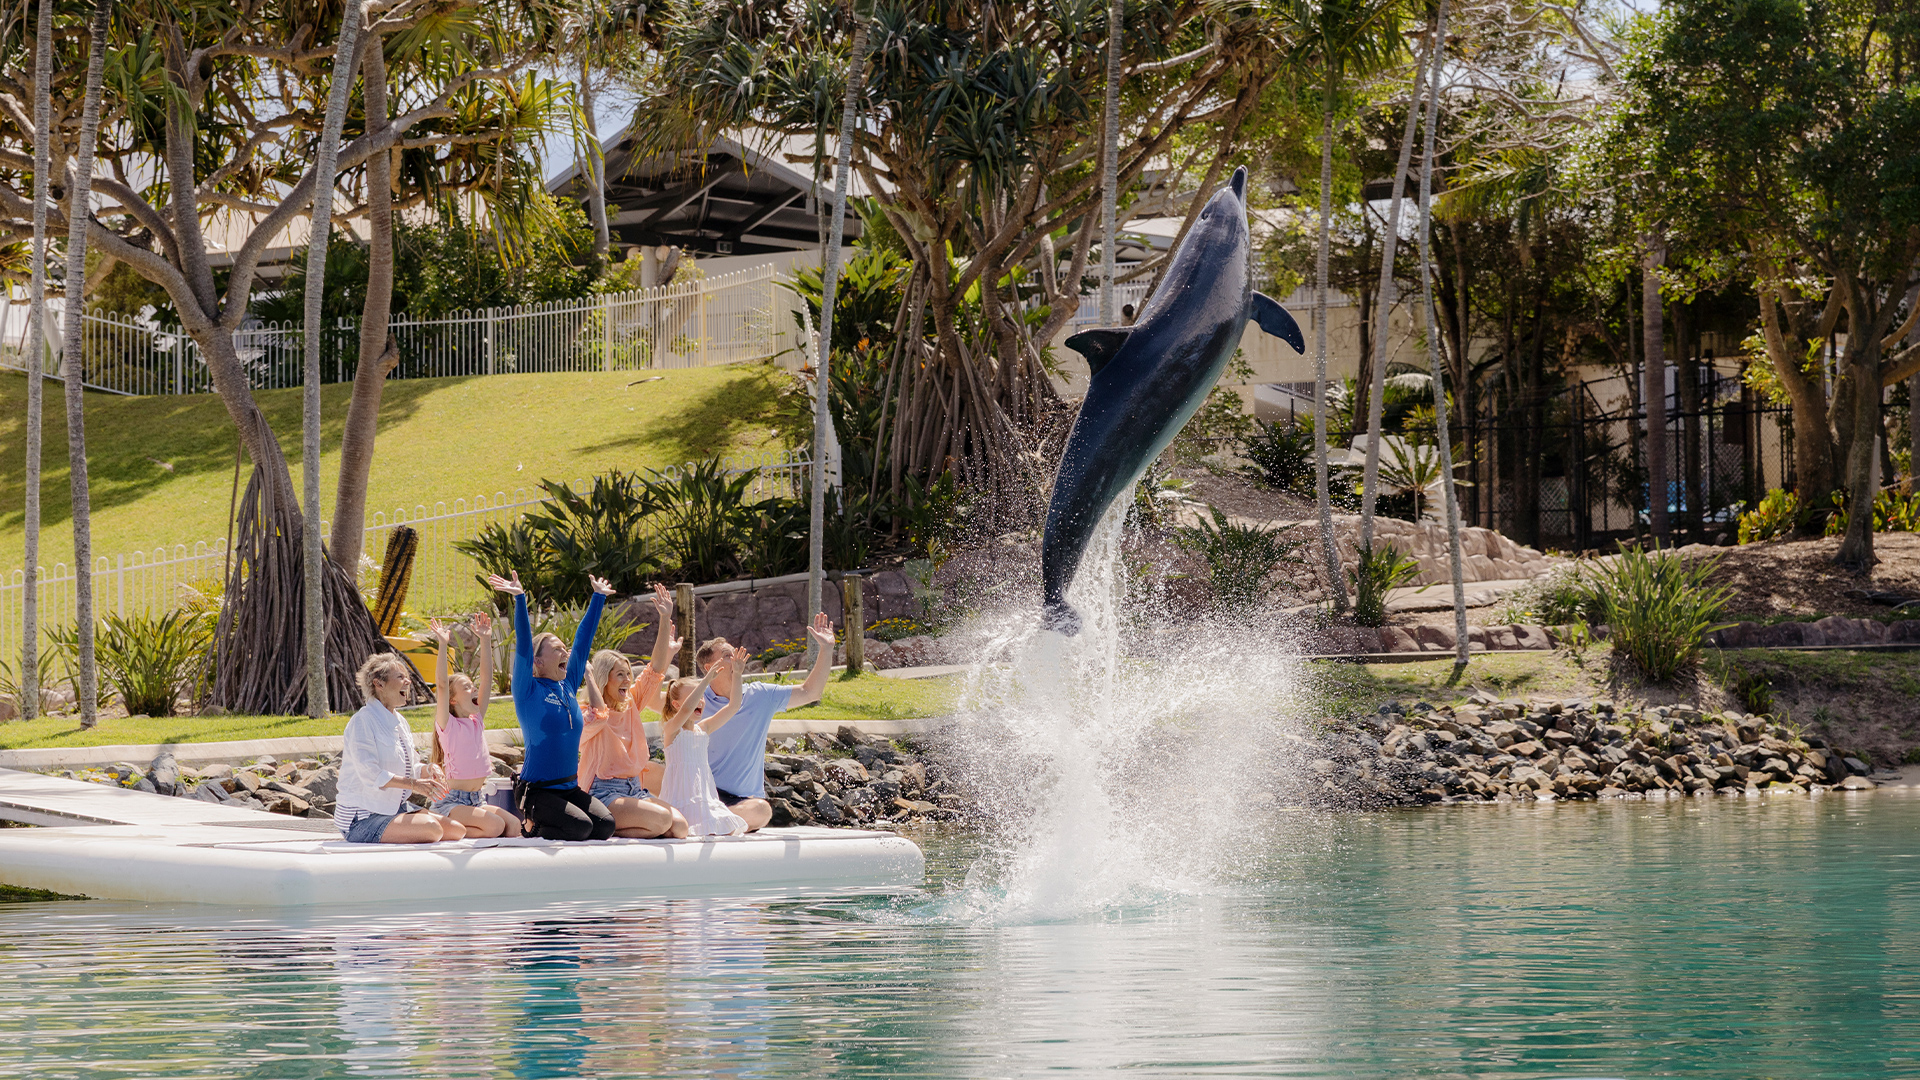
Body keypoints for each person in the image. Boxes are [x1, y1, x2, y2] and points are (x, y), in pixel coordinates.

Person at [491, 569, 617, 842]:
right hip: (538, 791)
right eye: (558, 649)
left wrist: (597, 597)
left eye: (565, 648)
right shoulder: (528, 690)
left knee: (605, 825)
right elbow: (524, 645)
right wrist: (520, 599)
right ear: (538, 662)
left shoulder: (567, 684)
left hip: (568, 789)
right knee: (580, 827)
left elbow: (583, 644)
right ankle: (531, 827)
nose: (566, 653)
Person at [694, 613, 839, 832]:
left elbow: (811, 692)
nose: (735, 659)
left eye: (735, 654)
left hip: (742, 802)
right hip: (702, 793)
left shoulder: (760, 695)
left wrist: (827, 649)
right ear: (708, 668)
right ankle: (710, 819)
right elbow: (657, 703)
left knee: (762, 811)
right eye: (726, 655)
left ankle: (709, 820)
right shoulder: (695, 699)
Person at [578, 583, 687, 838]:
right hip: (603, 793)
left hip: (635, 789)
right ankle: (605, 827)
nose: (628, 679)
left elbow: (655, 668)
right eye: (620, 675)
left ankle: (623, 828)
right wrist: (589, 679)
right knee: (660, 821)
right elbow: (597, 716)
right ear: (604, 679)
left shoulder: (632, 705)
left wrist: (664, 617)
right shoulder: (589, 714)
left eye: (628, 674)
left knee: (680, 827)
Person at [335, 652, 467, 844]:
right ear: (378, 684)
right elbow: (371, 774)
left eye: (407, 677)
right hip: (362, 818)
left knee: (456, 830)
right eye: (400, 677)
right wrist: (415, 785)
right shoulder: (362, 721)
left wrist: (430, 769)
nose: (408, 682)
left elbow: (411, 767)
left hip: (395, 809)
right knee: (432, 830)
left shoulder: (400, 721)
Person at [425, 614, 521, 838]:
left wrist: (486, 641)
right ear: (453, 699)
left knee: (514, 826)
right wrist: (442, 645)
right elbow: (441, 685)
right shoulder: (448, 725)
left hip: (476, 800)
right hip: (452, 802)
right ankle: (441, 825)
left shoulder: (476, 720)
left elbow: (487, 679)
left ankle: (452, 829)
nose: (475, 689)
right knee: (496, 826)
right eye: (467, 687)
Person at [658, 659, 747, 836]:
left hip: (705, 798)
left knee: (725, 830)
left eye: (701, 697)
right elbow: (685, 711)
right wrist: (705, 681)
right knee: (684, 831)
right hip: (680, 798)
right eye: (694, 698)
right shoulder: (671, 730)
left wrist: (736, 675)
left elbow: (733, 706)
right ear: (676, 704)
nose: (699, 701)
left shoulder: (703, 729)